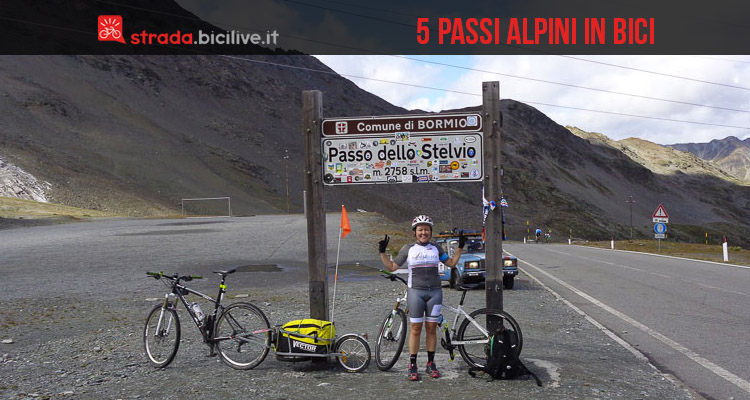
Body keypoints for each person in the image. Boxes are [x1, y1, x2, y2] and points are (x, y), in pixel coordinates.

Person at [378, 215, 465, 381]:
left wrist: (460, 247)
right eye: (420, 230)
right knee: (415, 329)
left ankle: (430, 363)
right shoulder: (407, 249)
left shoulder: (436, 249)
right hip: (415, 292)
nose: (423, 232)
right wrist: (382, 252)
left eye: (426, 229)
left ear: (430, 232)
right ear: (415, 232)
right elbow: (392, 267)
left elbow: (452, 263)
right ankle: (413, 364)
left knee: (431, 328)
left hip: (435, 293)